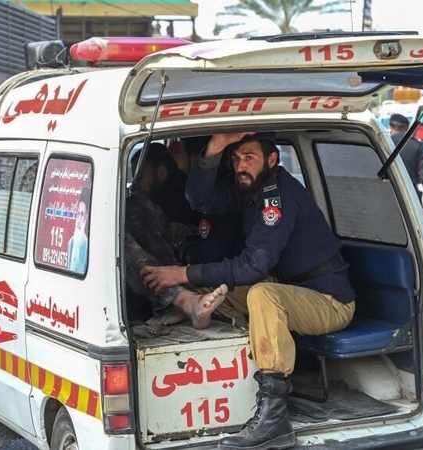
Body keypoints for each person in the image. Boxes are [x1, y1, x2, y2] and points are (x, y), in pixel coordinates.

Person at [140, 133, 356, 450]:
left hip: (330, 301)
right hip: (291, 289)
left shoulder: (277, 198)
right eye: (236, 158)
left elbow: (255, 266)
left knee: (261, 295)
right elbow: (200, 200)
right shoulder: (250, 191)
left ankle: (274, 418)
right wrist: (213, 151)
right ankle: (189, 309)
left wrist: (180, 273)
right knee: (215, 288)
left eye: (250, 157)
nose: (241, 165)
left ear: (272, 161)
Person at [125, 143, 228, 328]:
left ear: (162, 173)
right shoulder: (177, 192)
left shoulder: (175, 193)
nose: (136, 185)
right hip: (191, 269)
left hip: (190, 268)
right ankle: (181, 299)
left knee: (126, 220)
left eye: (140, 177)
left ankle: (180, 299)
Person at [388, 113, 423, 226]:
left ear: (390, 128)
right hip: (411, 198)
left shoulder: (383, 144)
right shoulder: (416, 146)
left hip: (386, 196)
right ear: (406, 130)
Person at [67, 186, 90, 273]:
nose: (79, 219)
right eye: (78, 213)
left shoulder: (88, 245)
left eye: (82, 214)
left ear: (86, 217)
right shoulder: (71, 243)